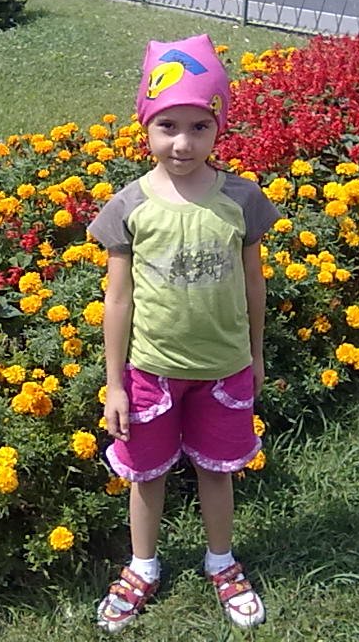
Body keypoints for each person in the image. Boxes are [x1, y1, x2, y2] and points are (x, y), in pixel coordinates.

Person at [88, 34, 279, 634]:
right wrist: (115, 384)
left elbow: (254, 285)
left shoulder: (241, 200)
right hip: (150, 372)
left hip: (224, 369)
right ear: (145, 126)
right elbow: (118, 299)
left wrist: (255, 355)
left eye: (200, 127)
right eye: (167, 125)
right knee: (146, 476)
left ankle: (221, 561)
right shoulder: (129, 207)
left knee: (217, 470)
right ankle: (142, 566)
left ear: (219, 126)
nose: (183, 142)